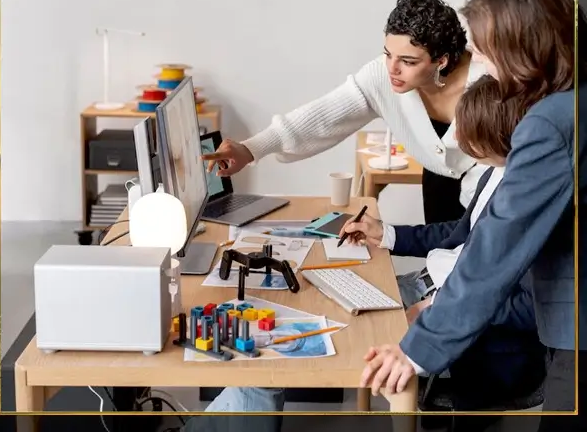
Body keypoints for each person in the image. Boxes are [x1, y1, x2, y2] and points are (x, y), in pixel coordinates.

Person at [181, 74, 546, 432]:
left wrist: (441, 310)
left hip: (448, 315)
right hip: (425, 288)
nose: (457, 141)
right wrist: (385, 233)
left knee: (265, 353)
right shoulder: (495, 174)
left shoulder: (529, 196)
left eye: (467, 134)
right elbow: (458, 233)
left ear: (493, 134)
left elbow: (525, 305)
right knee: (292, 313)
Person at [359, 0, 585, 432]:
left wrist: (417, 347)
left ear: (521, 48)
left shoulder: (549, 124)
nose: (476, 58)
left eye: (482, 47)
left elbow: (495, 250)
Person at [202, 0, 488, 224]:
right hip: (438, 189)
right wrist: (251, 149)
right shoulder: (383, 76)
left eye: (409, 61)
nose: (393, 69)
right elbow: (324, 115)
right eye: (388, 54)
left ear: (442, 61)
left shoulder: (489, 82)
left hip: (491, 196)